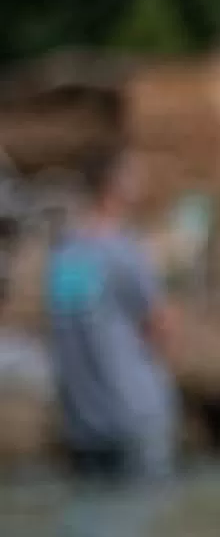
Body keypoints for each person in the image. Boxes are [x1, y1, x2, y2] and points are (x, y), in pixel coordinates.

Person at [46, 147, 178, 478]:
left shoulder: (63, 253)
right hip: (135, 416)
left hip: (82, 419)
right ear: (116, 185)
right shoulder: (125, 250)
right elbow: (161, 326)